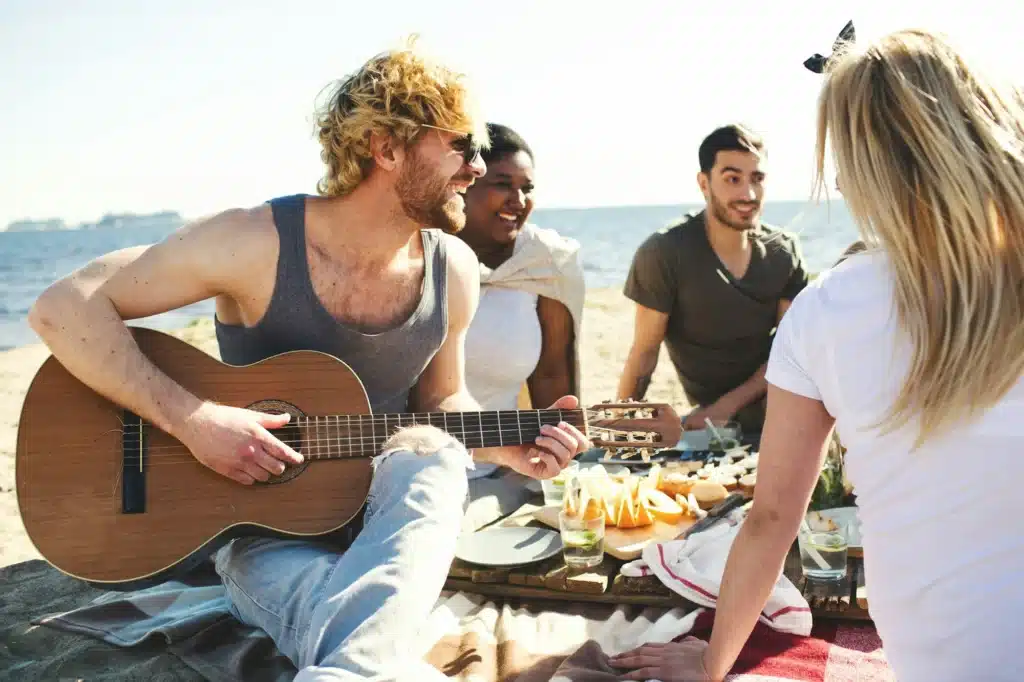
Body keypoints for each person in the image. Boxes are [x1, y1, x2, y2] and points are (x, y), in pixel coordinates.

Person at [27, 42, 590, 681]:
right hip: (262, 537)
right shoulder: (254, 241)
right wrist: (194, 420)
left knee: (433, 456)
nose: (476, 168)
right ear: (387, 148)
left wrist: (509, 447)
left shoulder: (452, 268)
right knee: (366, 628)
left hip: (385, 529)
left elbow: (440, 404)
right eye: (462, 146)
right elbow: (62, 307)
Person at [611, 28, 1024, 682]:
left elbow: (774, 518)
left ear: (860, 165)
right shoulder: (680, 257)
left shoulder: (832, 307)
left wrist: (714, 665)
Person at [616, 124, 809, 436]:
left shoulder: (783, 251)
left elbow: (791, 352)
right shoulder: (665, 252)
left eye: (757, 179)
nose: (748, 194)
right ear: (703, 183)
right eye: (732, 179)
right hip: (711, 419)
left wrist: (724, 408)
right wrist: (619, 427)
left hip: (780, 399)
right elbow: (644, 352)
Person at [457, 122, 585, 477]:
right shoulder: (413, 258)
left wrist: (556, 463)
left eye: (527, 188)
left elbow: (551, 375)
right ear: (463, 184)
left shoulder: (544, 262)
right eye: (502, 184)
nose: (519, 200)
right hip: (404, 471)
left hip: (503, 475)